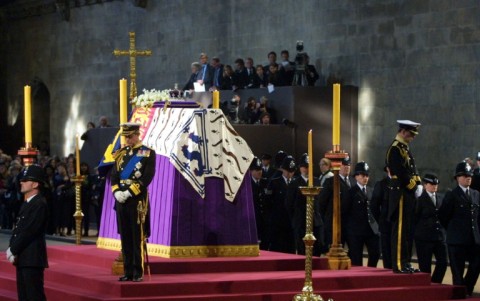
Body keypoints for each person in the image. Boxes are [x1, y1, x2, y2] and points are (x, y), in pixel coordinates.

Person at [111, 123, 156, 282]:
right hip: (121, 200)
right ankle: (127, 271)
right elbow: (114, 175)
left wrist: (129, 192)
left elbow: (147, 177)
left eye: (130, 137)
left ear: (137, 134)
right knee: (125, 236)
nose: (128, 140)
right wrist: (117, 192)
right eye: (126, 137)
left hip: (136, 200)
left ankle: (137, 272)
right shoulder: (121, 154)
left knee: (137, 236)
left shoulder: (147, 153)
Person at [6, 165, 49, 301]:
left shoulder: (39, 203)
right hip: (24, 258)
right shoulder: (28, 203)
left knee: (34, 296)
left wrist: (13, 249)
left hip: (32, 258)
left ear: (35, 184)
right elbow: (19, 229)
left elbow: (29, 230)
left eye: (26, 180)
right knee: (24, 296)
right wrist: (13, 249)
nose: (21, 182)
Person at [385, 120, 422, 274]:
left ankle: (405, 262)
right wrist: (413, 185)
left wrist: (418, 182)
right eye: (411, 134)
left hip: (407, 193)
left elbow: (412, 168)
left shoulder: (404, 147)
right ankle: (399, 264)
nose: (412, 137)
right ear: (403, 131)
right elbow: (399, 171)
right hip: (400, 192)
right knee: (399, 230)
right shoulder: (395, 148)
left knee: (406, 230)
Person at [439, 162, 480, 295]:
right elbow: (443, 216)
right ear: (457, 178)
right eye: (464, 175)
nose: (468, 177)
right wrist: (454, 230)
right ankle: (459, 294)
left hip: (474, 240)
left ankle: (467, 289)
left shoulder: (476, 194)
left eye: (470, 175)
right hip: (456, 241)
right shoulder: (452, 195)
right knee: (457, 273)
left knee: (475, 267)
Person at [344, 161, 380, 267]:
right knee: (356, 259)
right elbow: (345, 212)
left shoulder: (371, 191)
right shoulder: (351, 193)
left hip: (370, 230)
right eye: (363, 175)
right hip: (356, 231)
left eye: (367, 175)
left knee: (375, 253)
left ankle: (370, 272)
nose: (365, 178)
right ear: (356, 176)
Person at [414, 173, 447, 284]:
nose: (435, 186)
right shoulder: (419, 200)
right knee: (425, 266)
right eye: (432, 184)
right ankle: (426, 287)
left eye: (436, 184)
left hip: (439, 237)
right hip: (424, 238)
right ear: (425, 185)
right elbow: (415, 218)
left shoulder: (441, 198)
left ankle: (435, 283)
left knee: (443, 263)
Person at [318, 156, 354, 251]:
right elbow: (322, 203)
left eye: (348, 165)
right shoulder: (331, 182)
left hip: (351, 225)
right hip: (335, 224)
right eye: (344, 165)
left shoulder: (353, 181)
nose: (346, 167)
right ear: (338, 166)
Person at [265, 155, 297, 253]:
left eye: (292, 171)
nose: (289, 174)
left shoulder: (296, 183)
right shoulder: (275, 183)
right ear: (283, 169)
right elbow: (268, 202)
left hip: (291, 221)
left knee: (291, 248)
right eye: (287, 171)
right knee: (278, 248)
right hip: (278, 222)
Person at [370, 166, 393, 269]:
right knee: (387, 254)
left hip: (398, 225)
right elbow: (374, 206)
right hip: (386, 225)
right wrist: (381, 220)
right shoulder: (382, 184)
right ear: (388, 169)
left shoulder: (402, 183)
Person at [249, 157, 270, 250]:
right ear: (251, 171)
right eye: (257, 170)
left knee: (265, 244)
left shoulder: (266, 183)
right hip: (253, 219)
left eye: (260, 169)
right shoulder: (247, 184)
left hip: (264, 220)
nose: (259, 172)